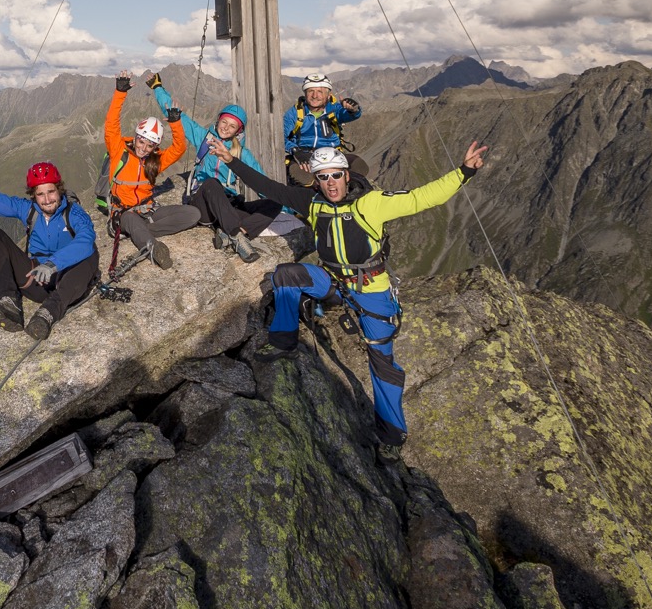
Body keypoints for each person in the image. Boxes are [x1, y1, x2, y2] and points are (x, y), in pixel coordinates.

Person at [216, 139, 489, 448]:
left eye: (336, 175)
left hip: (371, 291)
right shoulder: (311, 201)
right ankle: (284, 342)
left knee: (382, 362)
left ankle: (391, 437)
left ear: (347, 175)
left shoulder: (372, 202)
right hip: (333, 282)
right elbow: (269, 188)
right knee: (285, 275)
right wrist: (230, 161)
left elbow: (421, 198)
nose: (331, 183)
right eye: (323, 176)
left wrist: (464, 171)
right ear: (316, 180)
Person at [0, 142, 98, 340]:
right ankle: (9, 303)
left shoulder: (74, 213)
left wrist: (53, 265)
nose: (47, 199)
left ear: (59, 190)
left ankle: (47, 314)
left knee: (90, 253)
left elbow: (86, 240)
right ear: (33, 196)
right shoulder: (28, 210)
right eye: (40, 194)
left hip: (67, 281)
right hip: (37, 280)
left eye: (51, 192)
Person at [149, 74, 282, 264]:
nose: (226, 128)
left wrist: (287, 208)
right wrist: (157, 88)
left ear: (239, 131)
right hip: (202, 204)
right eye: (224, 122)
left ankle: (231, 233)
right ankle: (237, 236)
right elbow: (177, 114)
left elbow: (261, 182)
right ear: (218, 121)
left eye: (232, 126)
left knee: (273, 204)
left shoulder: (242, 154)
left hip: (229, 206)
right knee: (212, 183)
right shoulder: (204, 138)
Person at [104, 72, 194, 268]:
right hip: (124, 213)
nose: (143, 147)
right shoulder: (119, 152)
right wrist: (120, 93)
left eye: (150, 145)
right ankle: (154, 248)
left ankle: (142, 231)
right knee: (130, 220)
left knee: (192, 214)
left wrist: (175, 122)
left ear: (156, 147)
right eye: (141, 141)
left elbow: (179, 148)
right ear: (135, 136)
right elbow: (111, 125)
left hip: (149, 211)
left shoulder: (156, 161)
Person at [283, 71, 367, 185]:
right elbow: (280, 136)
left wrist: (354, 109)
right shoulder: (295, 113)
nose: (315, 95)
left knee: (359, 166)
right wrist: (295, 150)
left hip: (333, 155)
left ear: (328, 95)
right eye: (310, 91)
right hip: (305, 156)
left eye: (320, 92)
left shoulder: (335, 109)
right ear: (305, 93)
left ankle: (346, 193)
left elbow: (349, 115)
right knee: (301, 176)